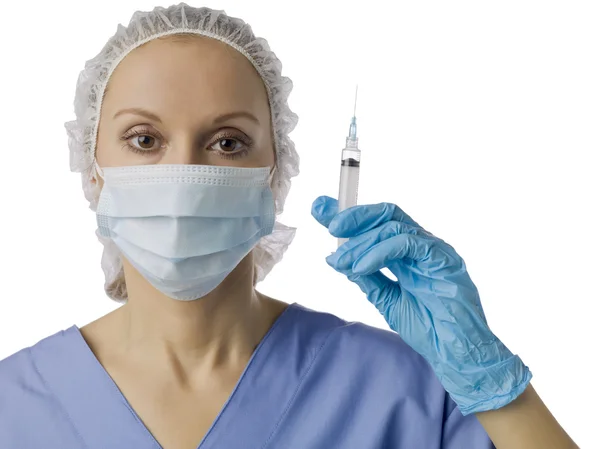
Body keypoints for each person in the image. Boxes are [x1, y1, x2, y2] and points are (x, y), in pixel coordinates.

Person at [0, 3, 579, 449]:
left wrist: (493, 385)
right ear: (92, 169)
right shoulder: (13, 405)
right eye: (145, 140)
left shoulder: (400, 393)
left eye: (227, 142)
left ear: (275, 175)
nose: (185, 172)